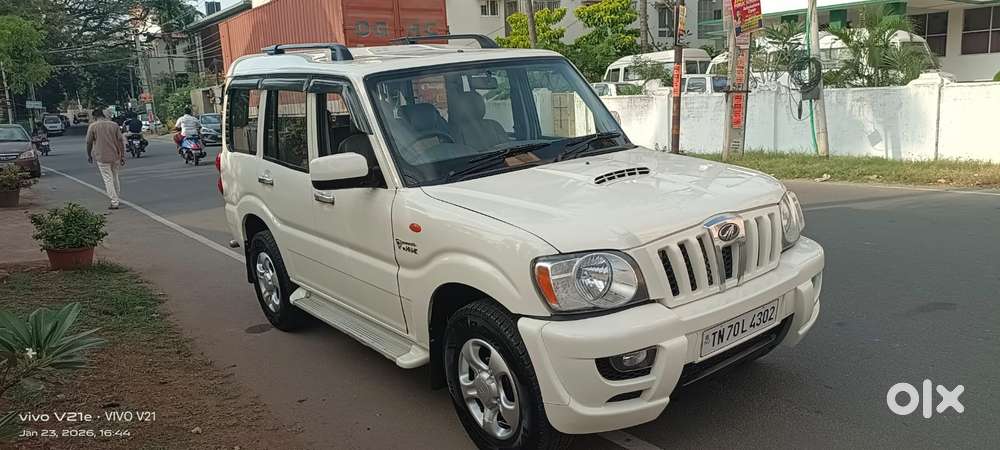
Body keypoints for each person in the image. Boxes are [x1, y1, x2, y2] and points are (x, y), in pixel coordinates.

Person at [85, 108, 126, 209]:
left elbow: (88, 142)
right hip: (115, 155)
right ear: (103, 115)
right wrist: (122, 155)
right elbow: (120, 141)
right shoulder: (114, 125)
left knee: (108, 179)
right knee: (115, 177)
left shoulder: (93, 126)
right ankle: (117, 198)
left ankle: (114, 201)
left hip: (101, 156)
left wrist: (89, 154)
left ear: (94, 117)